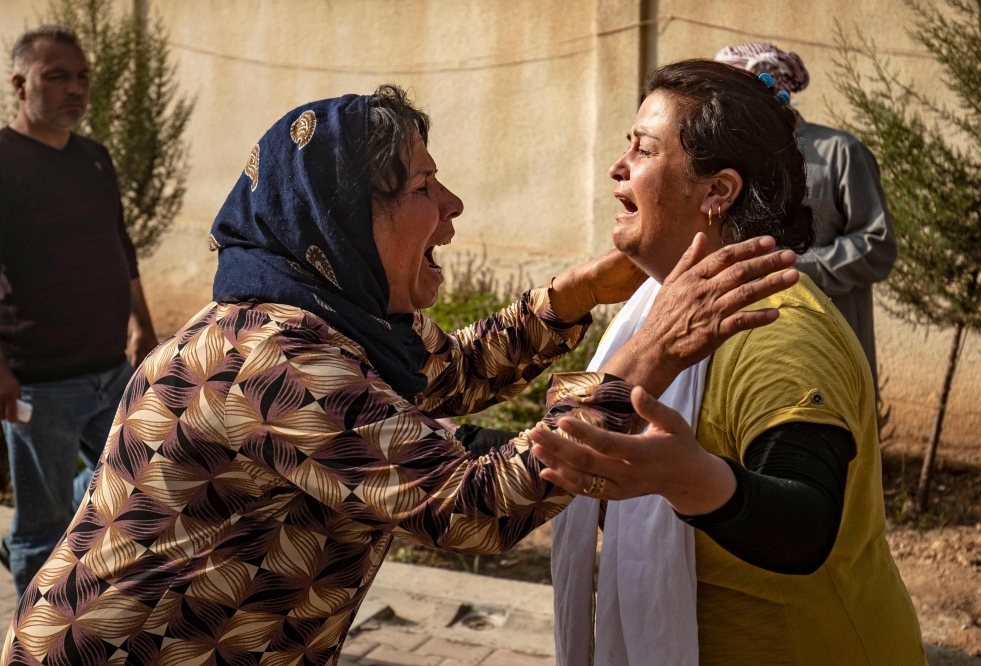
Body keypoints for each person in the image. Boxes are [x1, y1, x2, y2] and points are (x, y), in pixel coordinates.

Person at [0, 85, 798, 665]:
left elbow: (439, 373)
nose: (452, 205)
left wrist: (575, 298)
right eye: (422, 188)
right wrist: (644, 354)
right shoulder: (267, 357)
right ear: (341, 219)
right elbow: (470, 509)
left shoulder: (345, 325)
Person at [533, 61, 926, 665]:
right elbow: (563, 437)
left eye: (642, 149)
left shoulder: (775, 325)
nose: (618, 167)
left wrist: (688, 478)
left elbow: (805, 521)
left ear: (718, 191)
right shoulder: (649, 310)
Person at [0, 25, 158, 596]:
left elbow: (120, 244)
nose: (75, 88)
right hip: (40, 385)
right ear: (20, 84)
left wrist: (142, 320)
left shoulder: (95, 157)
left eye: (83, 76)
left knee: (145, 475)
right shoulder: (5, 161)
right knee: (40, 532)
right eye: (57, 76)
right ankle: (33, 644)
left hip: (110, 369)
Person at [716, 42, 897, 382]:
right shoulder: (734, 163)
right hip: (755, 356)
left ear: (770, 91)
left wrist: (791, 266)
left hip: (831, 348)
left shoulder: (840, 152)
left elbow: (877, 246)